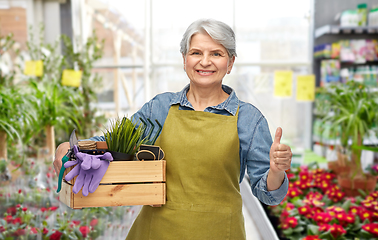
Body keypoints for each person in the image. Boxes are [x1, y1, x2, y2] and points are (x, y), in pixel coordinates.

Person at [53, 19, 292, 240]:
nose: (205, 61)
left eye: (216, 54)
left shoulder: (249, 119)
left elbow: (269, 195)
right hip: (158, 230)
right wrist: (70, 147)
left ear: (230, 63)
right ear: (184, 59)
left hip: (220, 232)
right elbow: (114, 142)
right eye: (196, 52)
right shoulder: (160, 107)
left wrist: (276, 171)